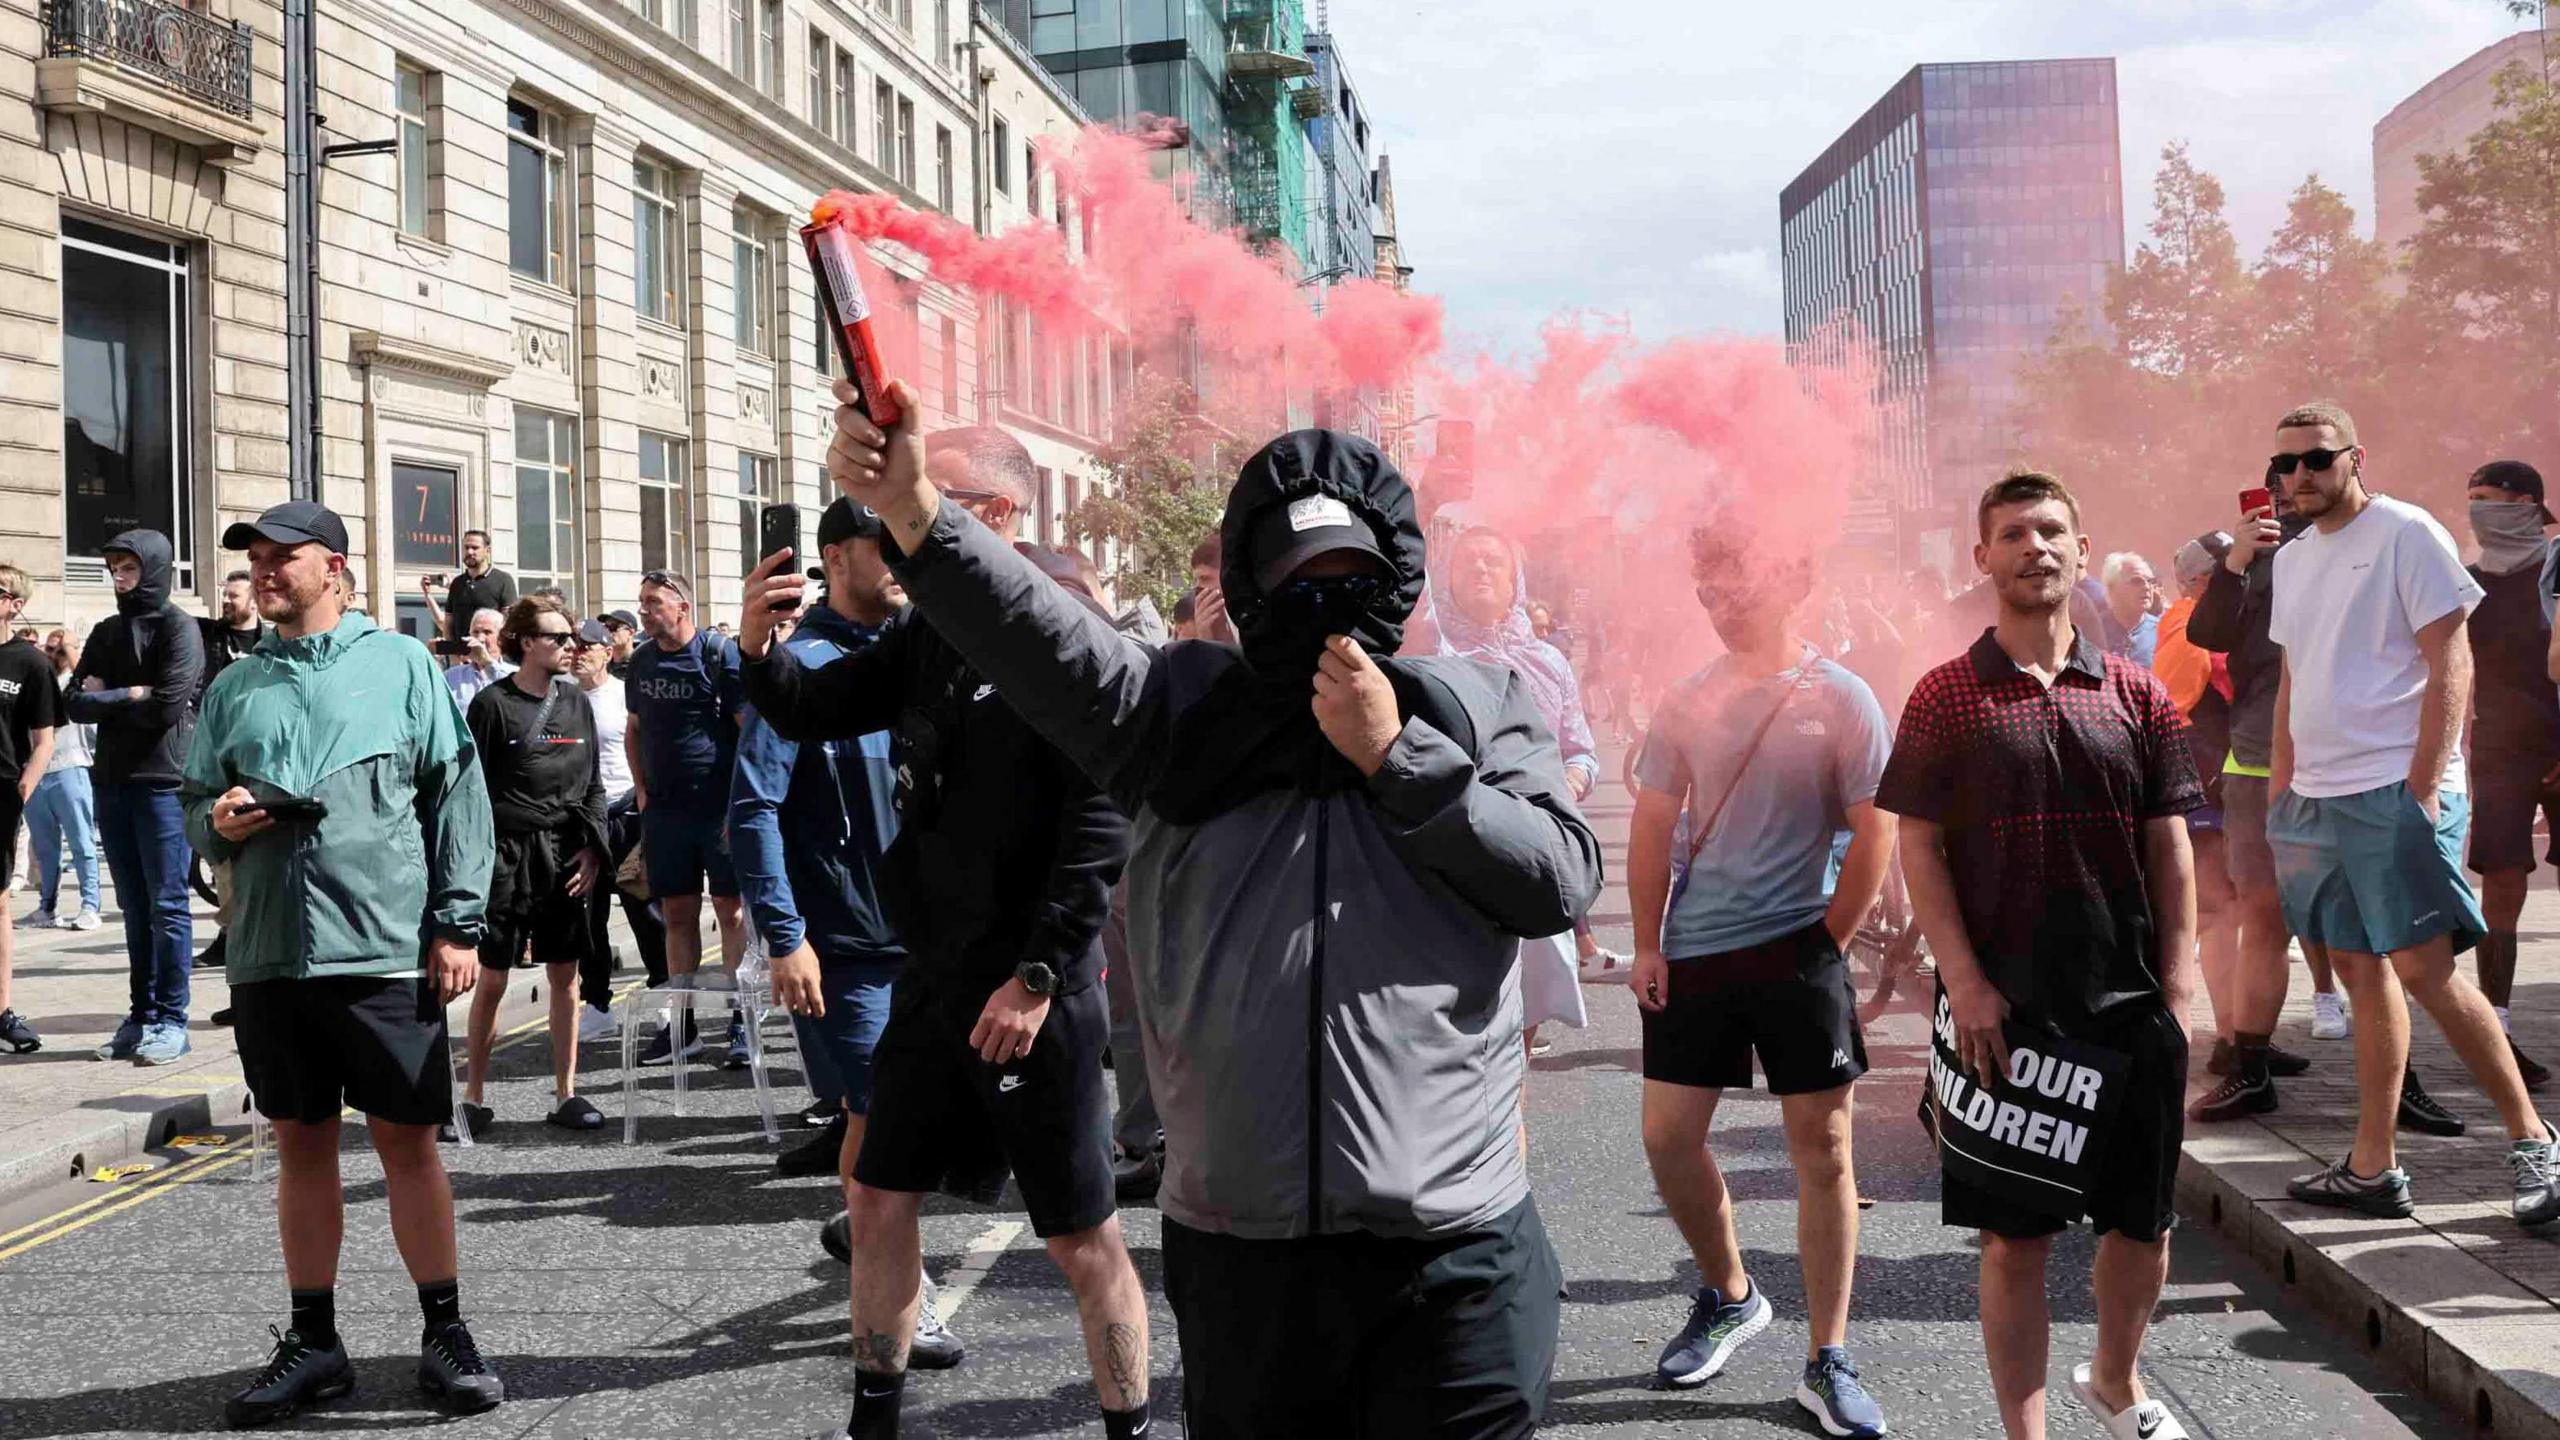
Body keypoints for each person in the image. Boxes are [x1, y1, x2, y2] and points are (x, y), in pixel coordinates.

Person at [762, 378, 1603, 1435]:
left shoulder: (1477, 708)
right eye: (1297, 577)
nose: (1323, 601)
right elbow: (1034, 633)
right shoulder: (1171, 715)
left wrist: (1400, 758)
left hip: (1453, 1258)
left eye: (1350, 575)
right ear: (1254, 584)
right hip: (1244, 1257)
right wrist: (918, 515)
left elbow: (1557, 879)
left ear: (1396, 577)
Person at [738, 428, 1146, 1440]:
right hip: (933, 978)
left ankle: (1127, 1425)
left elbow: (1102, 817)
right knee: (877, 1199)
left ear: (996, 516)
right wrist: (755, 648)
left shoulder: (1062, 620)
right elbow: (816, 707)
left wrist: (1041, 973)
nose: (891, 521)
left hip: (1030, 992)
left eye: (918, 498)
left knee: (1077, 1236)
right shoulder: (931, 630)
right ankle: (875, 1417)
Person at [1880, 470, 2202, 1440]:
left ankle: (2115, 1382)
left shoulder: (2137, 695)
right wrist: (1965, 984)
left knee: (2140, 1228)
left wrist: (2181, 986)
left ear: (2082, 550)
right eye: (2013, 533)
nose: (2035, 548)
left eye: (2051, 531)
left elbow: (2169, 846)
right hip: (2001, 1013)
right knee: (2013, 1241)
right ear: (1982, 558)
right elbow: (1918, 846)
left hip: (2129, 1001)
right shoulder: (1943, 695)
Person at [182, 500, 503, 1426]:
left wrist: (458, 926)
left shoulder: (402, 664)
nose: (266, 572)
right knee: (301, 1143)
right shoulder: (237, 685)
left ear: (336, 567)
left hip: (384, 948)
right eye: (258, 559)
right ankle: (313, 1341)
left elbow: (456, 798)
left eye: (286, 557)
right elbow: (198, 804)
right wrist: (220, 823)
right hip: (272, 952)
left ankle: (445, 1332)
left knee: (407, 1145)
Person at [2254, 404, 2560, 1227]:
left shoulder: (2406, 532)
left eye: (2316, 459)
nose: (2298, 477)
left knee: (2424, 970)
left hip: (2396, 787)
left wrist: (2425, 786)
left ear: (2354, 456)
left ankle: (2536, 1141)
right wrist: (2283, 788)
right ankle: (2372, 1166)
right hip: (2317, 797)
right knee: (2362, 973)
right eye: (2284, 465)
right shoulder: (2292, 560)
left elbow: (2450, 656)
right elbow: (2294, 678)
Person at [1627, 526, 1896, 1439]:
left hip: (1797, 951)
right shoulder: (1686, 699)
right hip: (1698, 950)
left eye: (1737, 581)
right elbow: (1654, 823)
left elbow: (1875, 828)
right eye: (1708, 587)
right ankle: (1731, 1294)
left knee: (1822, 1153)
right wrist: (1649, 944)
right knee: (1667, 1139)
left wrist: (1830, 940)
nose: (1722, 601)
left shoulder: (1842, 696)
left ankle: (1828, 1357)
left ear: (1791, 578)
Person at [727, 499, 968, 1370]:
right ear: (834, 555)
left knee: (915, 1123)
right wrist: (784, 936)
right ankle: (906, 1293)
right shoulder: (802, 664)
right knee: (886, 1118)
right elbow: (752, 812)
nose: (904, 554)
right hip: (847, 951)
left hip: (932, 942)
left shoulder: (922, 654)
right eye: (883, 541)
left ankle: (862, 1222)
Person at [2185, 480, 2348, 1127]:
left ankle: (2403, 1081)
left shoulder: (2353, 551)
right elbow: (2207, 632)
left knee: (2363, 934)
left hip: (2337, 762)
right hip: (2254, 762)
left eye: (2310, 466)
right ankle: (2248, 1066)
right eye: (2276, 480)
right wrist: (2236, 563)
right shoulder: (2256, 562)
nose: (2289, 492)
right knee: (2262, 916)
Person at [1430, 525, 1607, 1030]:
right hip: (1451, 851)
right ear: (1448, 579)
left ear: (1515, 583)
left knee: (1521, 1026)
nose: (1482, 570)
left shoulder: (1548, 663)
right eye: (1468, 562)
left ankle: (1514, 1111)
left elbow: (1581, 752)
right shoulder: (1432, 658)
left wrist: (1567, 784)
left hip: (1529, 850)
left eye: (1494, 562)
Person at [456, 595, 609, 1138]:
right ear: (526, 643)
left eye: (572, 639)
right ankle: (472, 1098)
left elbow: (592, 784)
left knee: (566, 976)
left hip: (564, 854)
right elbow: (468, 790)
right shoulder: (493, 705)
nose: (571, 647)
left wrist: (592, 849)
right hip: (507, 855)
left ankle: (566, 1093)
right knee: (493, 977)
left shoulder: (576, 704)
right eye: (559, 638)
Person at [68, 529, 203, 1065]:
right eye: (114, 569)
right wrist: (131, 693)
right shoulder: (105, 630)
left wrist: (111, 697)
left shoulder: (178, 628)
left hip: (163, 784)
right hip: (112, 781)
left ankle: (172, 1019)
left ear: (152, 570)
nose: (119, 579)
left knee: (168, 904)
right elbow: (74, 703)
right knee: (133, 907)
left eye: (128, 569)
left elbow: (169, 706)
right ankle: (141, 1015)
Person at [624, 570, 750, 1068]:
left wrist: (741, 805)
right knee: (677, 915)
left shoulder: (719, 655)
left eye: (653, 602)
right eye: (642, 603)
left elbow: (748, 734)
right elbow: (634, 730)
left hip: (717, 809)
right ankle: (684, 1026)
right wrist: (640, 788)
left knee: (730, 911)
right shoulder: (641, 661)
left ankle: (742, 1022)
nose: (645, 611)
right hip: (666, 814)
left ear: (681, 606)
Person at [2466, 459, 2556, 1088]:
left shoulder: (2557, 567)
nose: (2477, 510)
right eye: (2469, 499)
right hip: (2498, 750)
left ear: (2527, 503)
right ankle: (2496, 1032)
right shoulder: (2465, 582)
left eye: (2488, 498)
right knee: (2500, 888)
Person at [2153, 535, 2246, 1072]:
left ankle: (2243, 1033)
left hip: (2214, 769)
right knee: (2218, 911)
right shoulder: (2192, 623)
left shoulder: (2196, 618)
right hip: (2204, 774)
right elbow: (2188, 702)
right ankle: (2230, 1037)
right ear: (2204, 580)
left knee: (2232, 911)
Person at [573, 619, 661, 1039]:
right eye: (573, 645)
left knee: (645, 910)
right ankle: (597, 1003)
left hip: (624, 815)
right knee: (589, 918)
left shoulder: (622, 696)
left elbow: (644, 749)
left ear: (608, 652)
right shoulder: (564, 700)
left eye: (587, 645)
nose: (577, 652)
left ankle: (664, 995)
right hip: (582, 822)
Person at [0, 568, 60, 1055]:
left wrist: (22, 790)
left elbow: (44, 741)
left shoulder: (29, 664)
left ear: (13, 604)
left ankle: (1, 1011)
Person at [23, 629, 100, 933]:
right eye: (49, 649)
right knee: (45, 847)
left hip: (71, 767)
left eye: (59, 650)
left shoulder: (76, 684)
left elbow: (86, 685)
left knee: (82, 842)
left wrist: (71, 649)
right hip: (38, 771)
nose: (53, 655)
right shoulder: (39, 681)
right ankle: (47, 906)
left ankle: (90, 905)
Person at [420, 528, 517, 641]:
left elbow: (508, 623)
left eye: (475, 548)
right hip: (461, 654)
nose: (469, 552)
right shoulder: (457, 583)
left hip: (489, 652)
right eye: (466, 548)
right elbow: (448, 624)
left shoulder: (503, 580)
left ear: (487, 551)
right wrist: (451, 654)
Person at [441, 608, 513, 711]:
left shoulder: (514, 674)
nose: (480, 638)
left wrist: (487, 662)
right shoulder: (451, 676)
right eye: (475, 632)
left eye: (487, 632)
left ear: (501, 638)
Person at [2101, 553, 2161, 666]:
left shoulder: (2162, 631)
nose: (2147, 587)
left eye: (2150, 581)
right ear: (2112, 588)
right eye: (2137, 581)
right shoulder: (2093, 630)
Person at [600, 609, 639, 679]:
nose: (608, 633)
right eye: (605, 627)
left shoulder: (641, 665)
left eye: (613, 627)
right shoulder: (602, 664)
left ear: (630, 633)